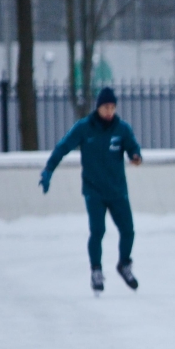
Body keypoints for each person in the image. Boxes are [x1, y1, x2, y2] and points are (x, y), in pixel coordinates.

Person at [39, 86, 142, 294]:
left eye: (113, 107)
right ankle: (96, 270)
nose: (110, 112)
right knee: (97, 231)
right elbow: (63, 147)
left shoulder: (121, 129)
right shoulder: (85, 128)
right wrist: (49, 169)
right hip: (93, 191)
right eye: (106, 107)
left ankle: (124, 264)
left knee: (128, 231)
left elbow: (133, 147)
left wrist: (136, 156)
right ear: (98, 107)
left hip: (117, 190)